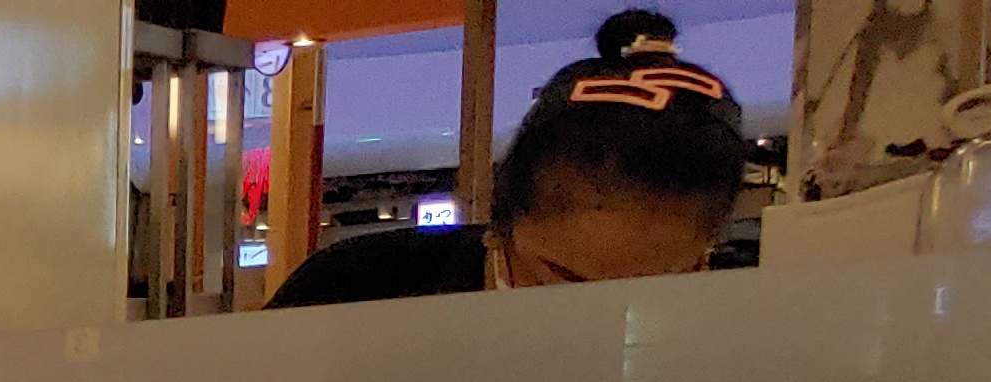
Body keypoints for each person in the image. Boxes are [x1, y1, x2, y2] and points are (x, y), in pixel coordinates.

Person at [269, 10, 752, 306]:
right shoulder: (360, 288)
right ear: (500, 226)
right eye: (562, 280)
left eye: (657, 288)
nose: (603, 317)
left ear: (705, 255)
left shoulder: (741, 331)